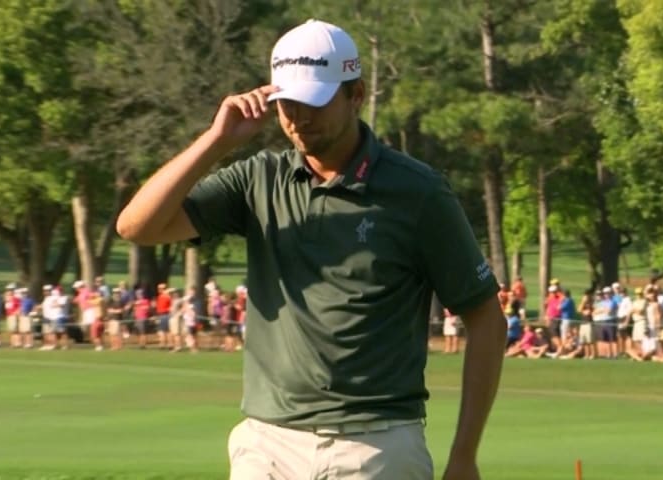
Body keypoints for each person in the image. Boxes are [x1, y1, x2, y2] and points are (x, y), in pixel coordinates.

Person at [115, 19, 506, 480]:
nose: (298, 118)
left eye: (314, 103)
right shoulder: (257, 180)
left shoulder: (418, 192)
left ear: (355, 94)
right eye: (286, 103)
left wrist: (464, 456)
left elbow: (486, 320)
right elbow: (136, 226)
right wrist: (215, 142)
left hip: (375, 445)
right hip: (268, 444)